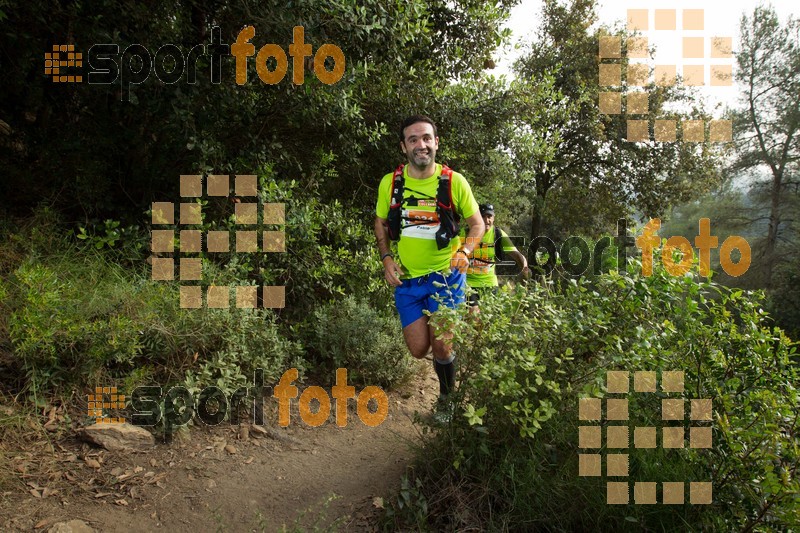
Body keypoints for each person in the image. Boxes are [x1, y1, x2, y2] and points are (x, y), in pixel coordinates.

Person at [374, 115, 484, 415]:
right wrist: (386, 258)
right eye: (413, 139)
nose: (420, 145)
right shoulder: (391, 183)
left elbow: (477, 226)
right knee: (417, 348)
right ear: (403, 147)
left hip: (445, 277)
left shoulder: (453, 181)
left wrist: (465, 251)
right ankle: (446, 348)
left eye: (426, 138)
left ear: (436, 142)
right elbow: (381, 222)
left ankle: (446, 402)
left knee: (442, 347)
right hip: (408, 281)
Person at [463, 203, 530, 311]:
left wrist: (525, 268)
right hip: (469, 284)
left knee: (490, 320)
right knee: (474, 315)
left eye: (489, 217)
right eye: (483, 216)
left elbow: (516, 254)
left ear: (493, 218)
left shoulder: (498, 234)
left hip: (490, 285)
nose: (486, 220)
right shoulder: (466, 233)